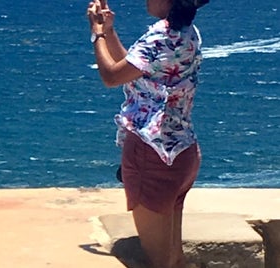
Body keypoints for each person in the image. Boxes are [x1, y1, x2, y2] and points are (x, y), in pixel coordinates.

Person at [86, 0, 209, 267]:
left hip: (150, 156)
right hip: (182, 152)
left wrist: (97, 34)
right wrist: (110, 30)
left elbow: (111, 76)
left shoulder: (159, 36)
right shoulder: (187, 32)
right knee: (175, 260)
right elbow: (133, 70)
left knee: (159, 263)